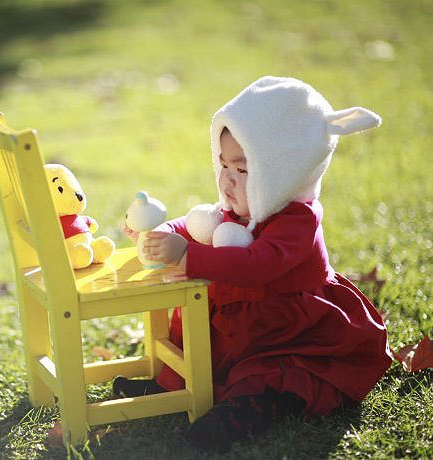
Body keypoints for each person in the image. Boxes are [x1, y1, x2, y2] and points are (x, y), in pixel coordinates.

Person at [115, 76, 393, 453]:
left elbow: (257, 264)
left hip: (289, 329)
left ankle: (243, 413)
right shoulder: (235, 207)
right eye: (224, 165)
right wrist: (162, 234)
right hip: (243, 323)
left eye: (243, 171)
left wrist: (187, 255)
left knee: (267, 374)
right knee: (197, 340)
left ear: (285, 171)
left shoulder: (298, 219)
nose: (227, 181)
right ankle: (173, 384)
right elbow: (193, 226)